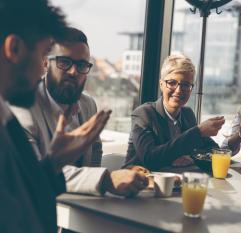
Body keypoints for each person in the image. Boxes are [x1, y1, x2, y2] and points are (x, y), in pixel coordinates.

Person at [0, 1, 111, 232]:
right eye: (43, 54)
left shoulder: (6, 117)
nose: (42, 68)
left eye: (81, 66)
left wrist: (53, 163)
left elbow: (25, 202)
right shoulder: (15, 117)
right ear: (15, 49)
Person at [12, 27, 148, 197]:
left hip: (83, 208)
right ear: (46, 62)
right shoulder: (24, 107)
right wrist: (105, 179)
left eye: (82, 65)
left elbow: (95, 149)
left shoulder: (88, 104)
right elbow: (34, 170)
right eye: (64, 62)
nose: (73, 72)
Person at [124, 54, 225, 170]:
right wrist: (198, 131)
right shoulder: (143, 114)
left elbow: (212, 149)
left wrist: (192, 157)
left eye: (186, 85)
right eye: (172, 83)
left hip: (175, 182)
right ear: (161, 84)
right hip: (139, 182)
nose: (178, 90)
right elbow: (150, 158)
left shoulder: (187, 115)